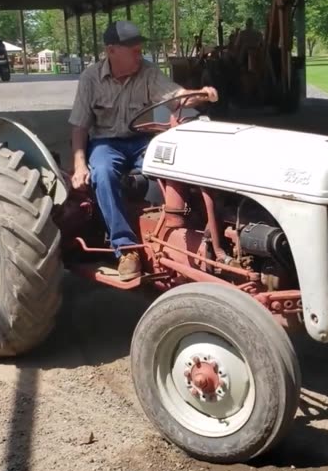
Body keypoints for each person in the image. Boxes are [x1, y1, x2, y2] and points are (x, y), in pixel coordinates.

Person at [68, 20, 218, 280]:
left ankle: (195, 226)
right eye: (134, 50)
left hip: (141, 141)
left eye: (140, 49)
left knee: (176, 160)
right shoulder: (91, 78)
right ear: (112, 51)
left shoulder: (148, 72)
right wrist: (80, 165)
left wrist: (201, 95)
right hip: (106, 143)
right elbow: (80, 127)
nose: (140, 54)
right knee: (102, 172)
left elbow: (177, 97)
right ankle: (126, 248)